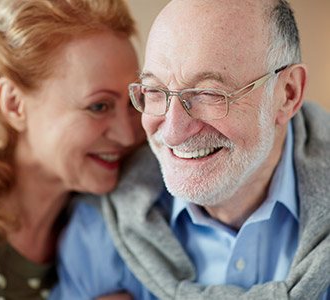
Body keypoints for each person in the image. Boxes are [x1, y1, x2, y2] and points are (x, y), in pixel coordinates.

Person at [52, 0, 330, 299]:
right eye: (155, 92)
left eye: (209, 93)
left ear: (288, 94)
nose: (171, 132)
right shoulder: (97, 234)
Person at [0, 0, 145, 299]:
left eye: (133, 102)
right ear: (14, 103)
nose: (128, 135)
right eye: (99, 106)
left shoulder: (120, 215)